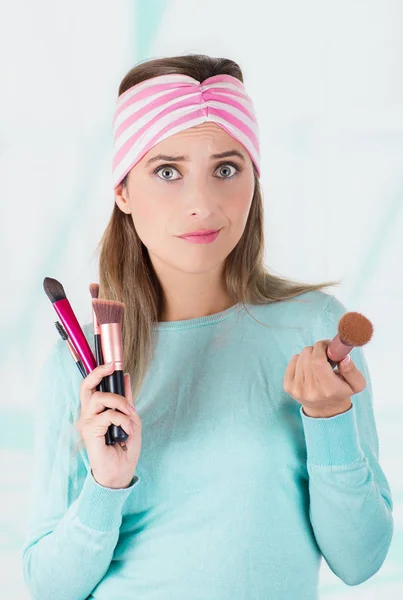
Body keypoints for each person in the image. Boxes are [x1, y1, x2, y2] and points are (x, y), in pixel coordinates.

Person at [21, 54, 393, 600]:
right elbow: (50, 588)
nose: (202, 203)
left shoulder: (314, 330)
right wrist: (107, 485)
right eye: (167, 172)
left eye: (226, 169)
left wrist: (330, 418)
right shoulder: (87, 363)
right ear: (123, 191)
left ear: (254, 180)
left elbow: (360, 562)